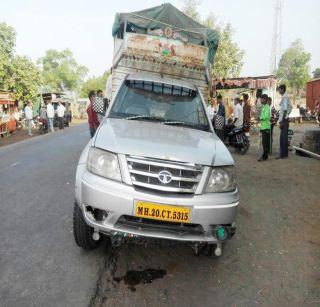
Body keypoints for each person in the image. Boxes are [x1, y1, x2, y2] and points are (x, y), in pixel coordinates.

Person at [277, 84, 292, 159]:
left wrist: (282, 122)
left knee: (283, 138)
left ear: (282, 89)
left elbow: (285, 110)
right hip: (284, 119)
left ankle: (283, 155)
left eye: (279, 89)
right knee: (284, 137)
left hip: (284, 120)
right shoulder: (285, 96)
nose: (279, 91)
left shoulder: (285, 97)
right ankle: (284, 154)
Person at [258, 94, 271, 162]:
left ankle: (264, 156)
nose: (261, 100)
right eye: (261, 99)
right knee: (264, 142)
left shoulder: (267, 107)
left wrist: (260, 118)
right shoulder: (264, 107)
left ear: (265, 99)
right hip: (264, 127)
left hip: (266, 127)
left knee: (265, 143)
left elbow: (266, 116)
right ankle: (265, 156)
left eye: (262, 99)